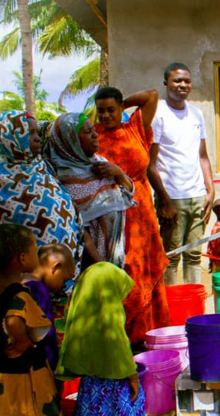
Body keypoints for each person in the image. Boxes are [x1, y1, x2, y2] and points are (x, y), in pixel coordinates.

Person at [56, 262, 154, 416]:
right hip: (119, 385)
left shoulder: (82, 314)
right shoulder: (111, 314)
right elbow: (119, 348)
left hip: (90, 385)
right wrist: (132, 375)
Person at [0, 224, 78, 416]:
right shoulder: (24, 295)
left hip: (5, 381)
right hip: (28, 379)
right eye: (34, 248)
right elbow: (19, 322)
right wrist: (22, 339)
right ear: (21, 259)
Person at [94, 86, 171, 346]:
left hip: (143, 213)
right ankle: (129, 338)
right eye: (101, 111)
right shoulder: (92, 137)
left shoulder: (135, 128)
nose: (105, 116)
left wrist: (123, 104)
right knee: (126, 268)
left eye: (110, 110)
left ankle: (152, 334)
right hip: (113, 215)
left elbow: (151, 95)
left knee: (148, 266)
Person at [149, 62, 215, 286]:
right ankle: (173, 310)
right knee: (171, 255)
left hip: (197, 195)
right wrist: (165, 201)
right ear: (166, 83)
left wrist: (210, 188)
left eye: (186, 81)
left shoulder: (196, 114)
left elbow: (203, 156)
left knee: (194, 255)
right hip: (172, 198)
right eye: (177, 81)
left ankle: (193, 308)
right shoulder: (158, 114)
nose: (182, 85)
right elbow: (151, 163)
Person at [0, 110, 88, 278]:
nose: (37, 138)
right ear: (11, 138)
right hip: (33, 276)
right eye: (30, 133)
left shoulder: (39, 164)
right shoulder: (4, 179)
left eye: (36, 132)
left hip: (65, 266)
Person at [46, 113, 135, 267]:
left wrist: (118, 173)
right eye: (87, 132)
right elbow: (80, 232)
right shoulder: (62, 177)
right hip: (93, 265)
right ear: (71, 140)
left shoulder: (101, 164)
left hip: (115, 259)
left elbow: (128, 193)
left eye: (94, 129)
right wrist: (103, 267)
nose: (95, 135)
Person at [21, 243, 76, 370]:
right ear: (56, 268)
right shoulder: (39, 290)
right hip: (39, 364)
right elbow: (44, 334)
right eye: (64, 280)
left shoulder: (21, 281)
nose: (63, 287)